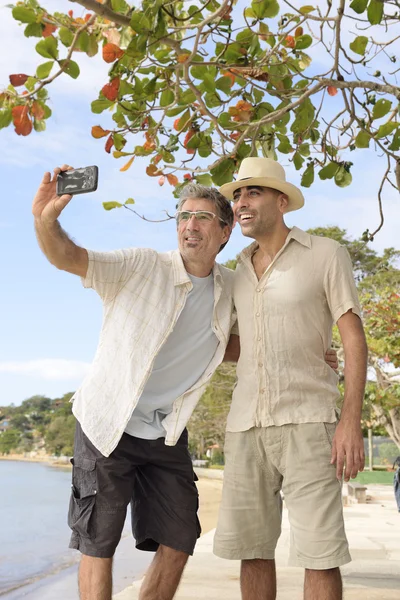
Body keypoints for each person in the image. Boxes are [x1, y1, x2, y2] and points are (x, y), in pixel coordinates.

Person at [32, 165, 337, 600]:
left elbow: (243, 344)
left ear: (226, 232)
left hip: (166, 431)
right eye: (183, 216)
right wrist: (47, 219)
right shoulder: (139, 266)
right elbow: (68, 257)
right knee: (99, 542)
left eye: (202, 217)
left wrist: (310, 350)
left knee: (179, 538)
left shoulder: (231, 288)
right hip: (107, 424)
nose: (189, 226)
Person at [214, 157, 368, 600]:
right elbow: (238, 346)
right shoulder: (235, 272)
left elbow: (352, 338)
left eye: (253, 192)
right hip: (245, 427)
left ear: (282, 202)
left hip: (309, 422)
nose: (241, 202)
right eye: (237, 195)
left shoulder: (325, 253)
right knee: (253, 552)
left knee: (319, 555)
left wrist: (350, 421)